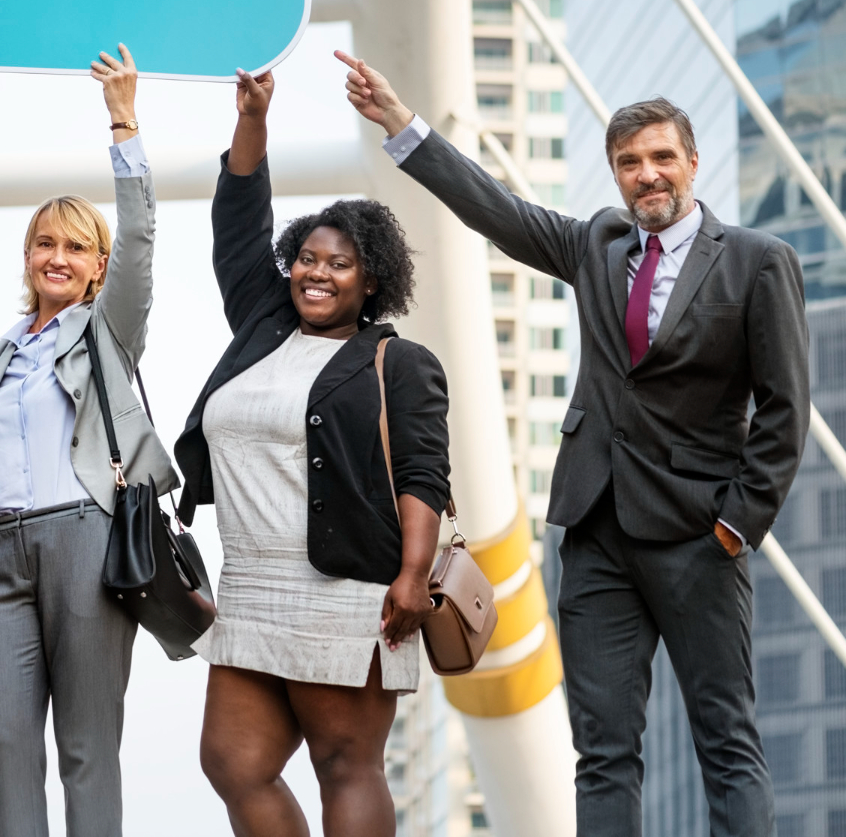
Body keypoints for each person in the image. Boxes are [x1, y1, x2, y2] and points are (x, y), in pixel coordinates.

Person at [339, 50, 810, 836]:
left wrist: (737, 523)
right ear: (616, 175)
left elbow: (786, 410)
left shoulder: (758, 263)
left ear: (692, 162)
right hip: (595, 535)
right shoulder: (598, 246)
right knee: (602, 752)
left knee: (726, 741)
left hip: (700, 536)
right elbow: (496, 210)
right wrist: (400, 124)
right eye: (629, 163)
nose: (647, 174)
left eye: (662, 157)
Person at [170, 68, 449, 837]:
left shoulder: (398, 363)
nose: (316, 274)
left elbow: (423, 474)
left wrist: (414, 574)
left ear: (371, 282)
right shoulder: (262, 326)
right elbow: (238, 219)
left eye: (339, 264)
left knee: (345, 765)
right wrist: (253, 119)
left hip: (347, 588)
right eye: (307, 258)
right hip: (252, 586)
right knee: (233, 762)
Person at [0, 44, 177, 837]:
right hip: (1, 558)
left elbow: (140, 237)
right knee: (8, 744)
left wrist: (123, 122)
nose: (58, 258)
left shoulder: (108, 330)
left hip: (84, 541)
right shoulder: (0, 353)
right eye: (46, 244)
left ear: (99, 267)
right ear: (28, 256)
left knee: (85, 744)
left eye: (76, 247)